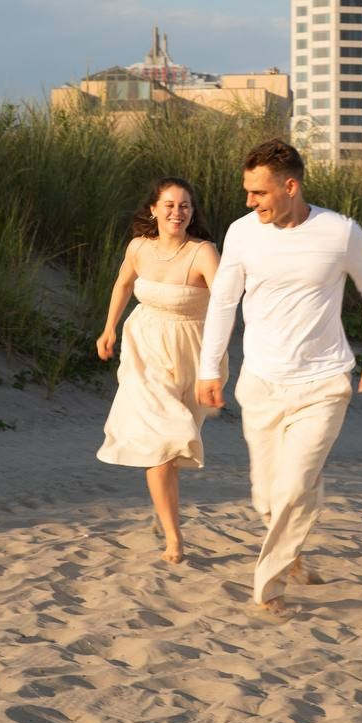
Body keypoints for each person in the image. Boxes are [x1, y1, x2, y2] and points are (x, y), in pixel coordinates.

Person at [197, 139, 362, 617]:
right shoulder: (242, 233)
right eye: (247, 191)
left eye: (259, 192)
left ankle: (269, 586)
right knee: (267, 496)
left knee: (291, 487)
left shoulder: (340, 231)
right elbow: (223, 302)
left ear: (290, 187)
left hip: (323, 382)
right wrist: (209, 368)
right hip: (261, 382)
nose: (250, 202)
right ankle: (296, 544)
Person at [96, 177, 223, 564]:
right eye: (169, 205)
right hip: (145, 349)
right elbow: (122, 285)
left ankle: (162, 506)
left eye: (185, 205)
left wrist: (215, 364)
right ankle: (173, 537)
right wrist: (109, 328)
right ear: (153, 209)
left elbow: (226, 304)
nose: (177, 212)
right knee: (163, 443)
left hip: (192, 353)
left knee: (174, 445)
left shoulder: (203, 252)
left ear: (192, 212)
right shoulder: (138, 247)